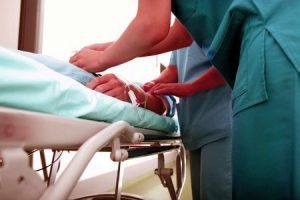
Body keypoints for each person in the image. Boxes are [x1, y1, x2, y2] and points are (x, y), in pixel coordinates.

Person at [70, 0, 300, 199]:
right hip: (267, 46)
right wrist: (135, 84)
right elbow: (179, 36)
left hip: (274, 46)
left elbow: (151, 26)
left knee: (273, 184)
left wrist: (101, 60)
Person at [86, 41, 232, 200]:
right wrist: (150, 86)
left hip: (222, 119)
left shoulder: (199, 21)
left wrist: (190, 87)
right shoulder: (181, 25)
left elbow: (232, 60)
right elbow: (173, 70)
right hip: (196, 125)